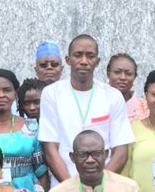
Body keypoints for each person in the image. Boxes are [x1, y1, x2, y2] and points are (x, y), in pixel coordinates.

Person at [38, 34, 133, 184]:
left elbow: (120, 151)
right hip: (63, 187)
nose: (84, 61)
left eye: (90, 56)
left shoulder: (113, 96)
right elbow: (50, 149)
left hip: (104, 188)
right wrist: (72, 188)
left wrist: (101, 185)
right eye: (78, 55)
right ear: (68, 60)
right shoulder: (51, 94)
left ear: (97, 61)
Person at [107, 53, 147, 122]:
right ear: (108, 74)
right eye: (117, 72)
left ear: (135, 77)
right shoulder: (96, 102)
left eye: (128, 74)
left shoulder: (145, 108)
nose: (123, 77)